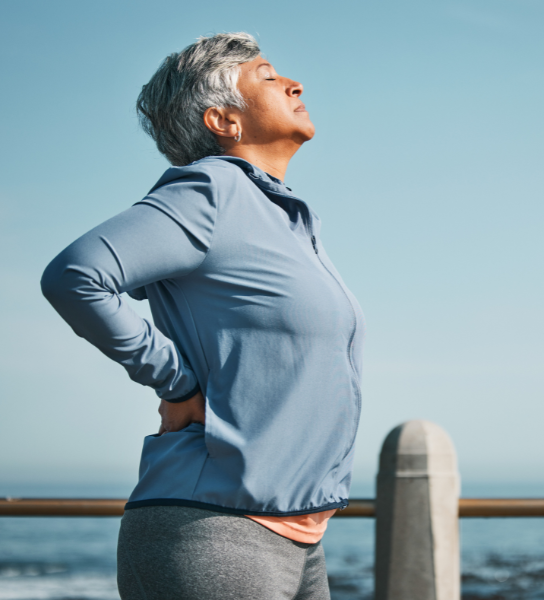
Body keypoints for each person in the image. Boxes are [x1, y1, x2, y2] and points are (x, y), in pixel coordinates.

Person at [40, 32, 365, 600]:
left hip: (300, 537)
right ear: (224, 121)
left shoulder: (284, 218)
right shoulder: (210, 192)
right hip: (213, 532)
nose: (295, 84)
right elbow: (76, 275)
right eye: (267, 77)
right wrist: (177, 381)